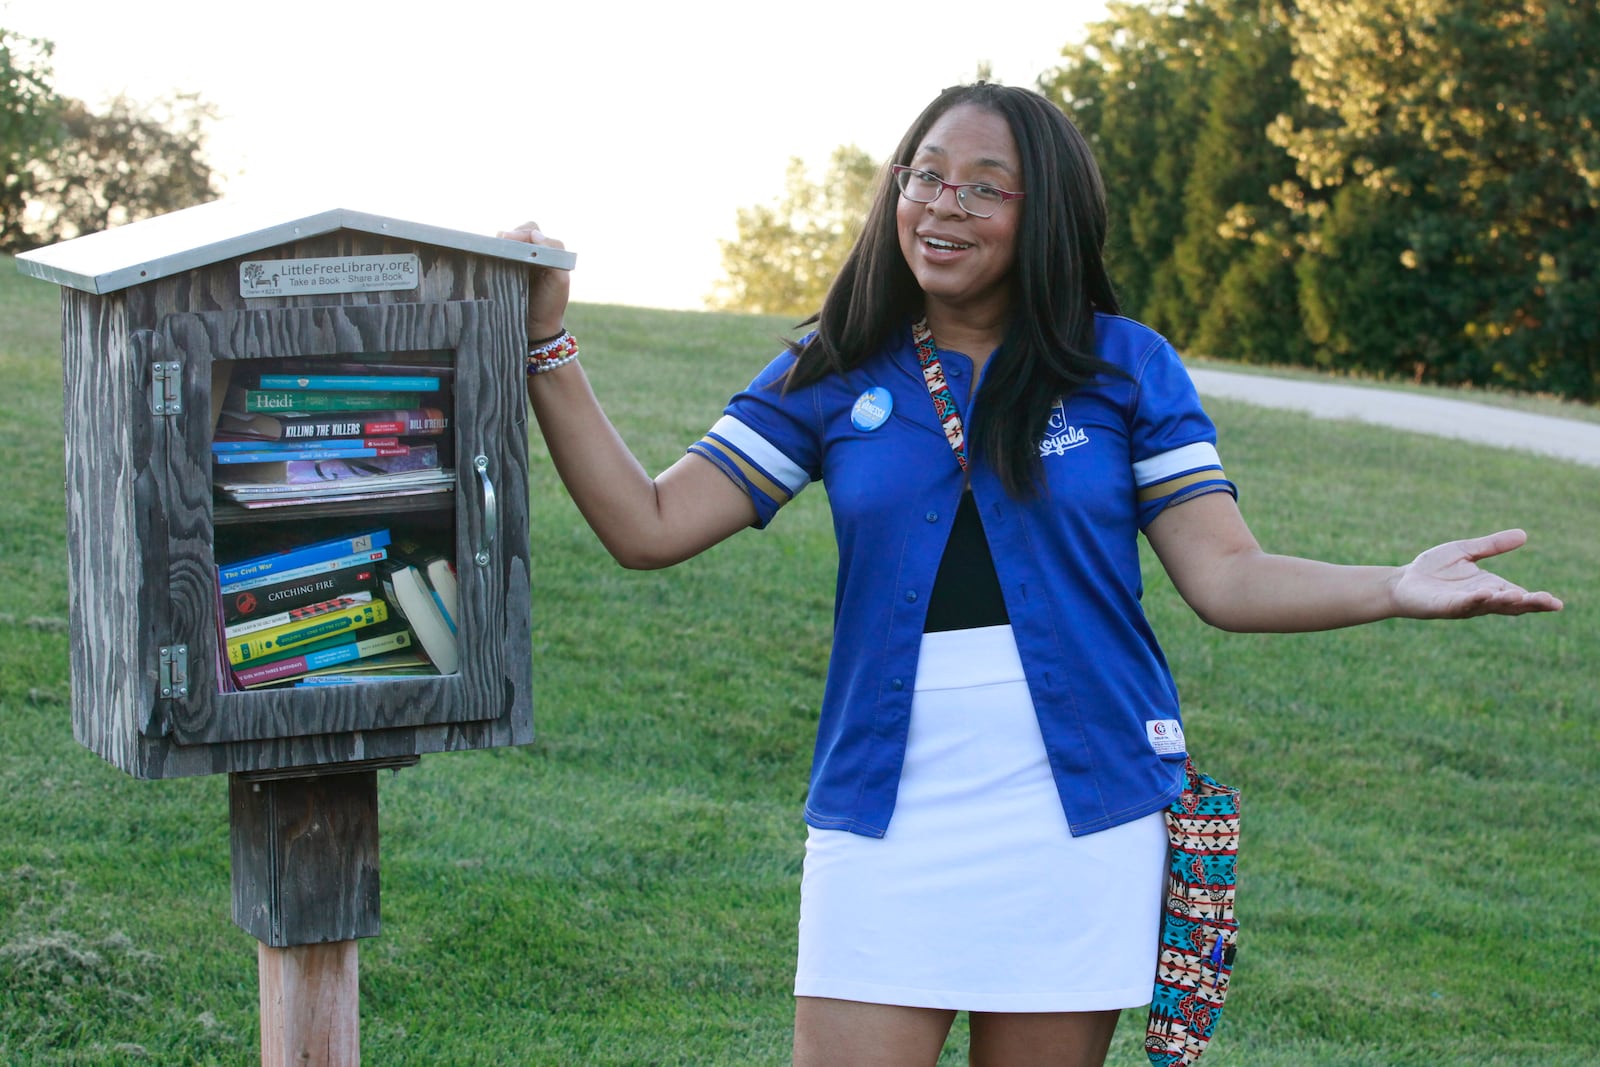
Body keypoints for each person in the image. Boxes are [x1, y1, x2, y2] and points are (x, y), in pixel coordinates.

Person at [501, 82, 1562, 1067]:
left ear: (1041, 208)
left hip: (1078, 814)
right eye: (924, 175)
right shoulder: (833, 365)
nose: (942, 205)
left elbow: (1226, 578)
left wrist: (1391, 584)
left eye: (983, 186)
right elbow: (647, 525)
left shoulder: (1123, 364)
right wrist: (549, 343)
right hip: (884, 813)